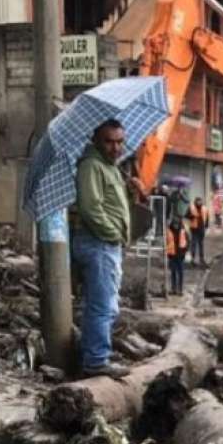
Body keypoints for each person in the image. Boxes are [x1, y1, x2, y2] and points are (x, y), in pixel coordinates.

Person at [70, 118, 139, 379]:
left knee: (107, 304)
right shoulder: (91, 166)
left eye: (120, 141)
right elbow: (91, 208)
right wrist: (113, 235)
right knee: (102, 305)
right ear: (96, 141)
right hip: (98, 243)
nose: (116, 147)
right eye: (109, 141)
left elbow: (112, 205)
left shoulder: (110, 168)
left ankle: (96, 355)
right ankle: (96, 361)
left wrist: (132, 190)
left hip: (105, 244)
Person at [165, 214, 189, 296]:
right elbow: (166, 242)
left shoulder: (183, 231)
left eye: (177, 224)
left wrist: (184, 251)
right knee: (173, 272)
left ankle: (180, 289)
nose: (176, 226)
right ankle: (173, 288)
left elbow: (187, 242)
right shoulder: (168, 231)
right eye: (174, 224)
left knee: (180, 272)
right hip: (172, 255)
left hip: (180, 255)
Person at [187, 196, 208, 267]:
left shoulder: (204, 208)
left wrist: (206, 226)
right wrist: (192, 216)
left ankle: (201, 258)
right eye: (198, 201)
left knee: (201, 244)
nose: (199, 203)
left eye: (200, 201)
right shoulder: (191, 208)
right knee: (194, 243)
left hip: (201, 228)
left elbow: (207, 217)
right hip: (194, 228)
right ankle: (193, 259)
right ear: (195, 202)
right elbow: (187, 215)